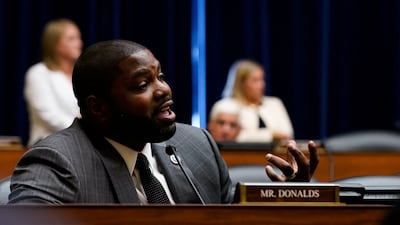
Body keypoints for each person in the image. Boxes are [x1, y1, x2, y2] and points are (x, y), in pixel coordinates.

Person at [8, 40, 319, 204]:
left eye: (161, 76)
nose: (164, 89)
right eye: (143, 84)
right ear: (98, 108)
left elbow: (231, 215)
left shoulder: (196, 145)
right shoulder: (57, 161)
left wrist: (288, 199)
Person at [24, 18, 83, 147]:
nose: (79, 43)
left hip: (80, 143)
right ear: (55, 44)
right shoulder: (38, 73)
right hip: (48, 144)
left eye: (79, 38)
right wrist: (84, 130)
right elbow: (48, 115)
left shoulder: (82, 74)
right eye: (71, 39)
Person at [221, 59, 294, 143]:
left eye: (262, 79)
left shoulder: (275, 103)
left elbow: (287, 135)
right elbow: (232, 136)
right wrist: (271, 135)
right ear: (241, 83)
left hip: (275, 155)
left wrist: (250, 134)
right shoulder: (225, 107)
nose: (262, 85)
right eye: (256, 80)